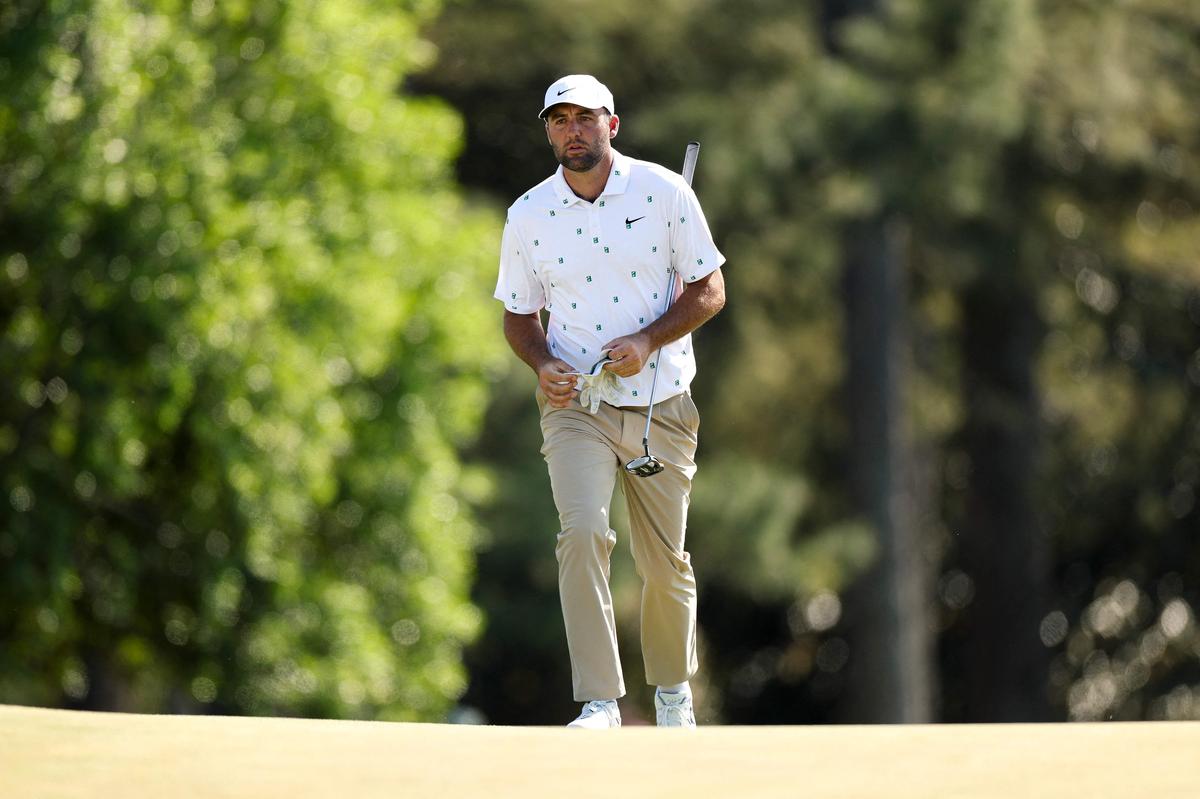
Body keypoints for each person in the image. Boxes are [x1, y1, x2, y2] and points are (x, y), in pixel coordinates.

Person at [494, 74, 726, 728]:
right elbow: (519, 316)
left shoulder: (665, 193)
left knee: (663, 563)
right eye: (559, 119)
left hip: (662, 403)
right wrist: (543, 363)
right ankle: (601, 701)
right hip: (578, 404)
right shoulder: (527, 215)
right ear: (548, 132)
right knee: (582, 533)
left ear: (611, 125)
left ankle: (672, 692)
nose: (572, 130)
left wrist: (649, 340)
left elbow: (709, 290)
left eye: (585, 118)